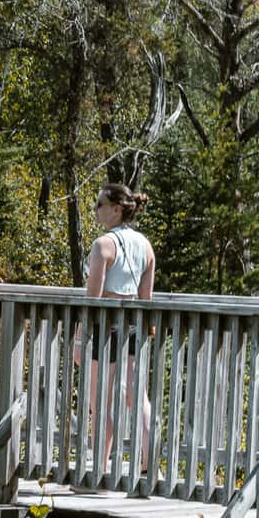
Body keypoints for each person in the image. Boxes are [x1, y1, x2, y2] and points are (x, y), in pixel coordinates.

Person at [82, 182, 155, 474]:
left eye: (99, 204)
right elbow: (146, 300)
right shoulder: (146, 246)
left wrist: (78, 339)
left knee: (100, 401)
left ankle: (98, 468)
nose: (95, 210)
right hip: (134, 328)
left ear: (116, 209)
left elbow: (92, 299)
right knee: (137, 396)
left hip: (106, 327)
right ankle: (149, 467)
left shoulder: (103, 245)